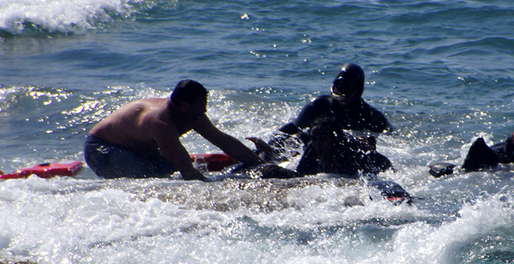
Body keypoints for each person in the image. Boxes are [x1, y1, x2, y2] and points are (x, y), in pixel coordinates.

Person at [84, 80, 267, 181]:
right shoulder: (161, 124)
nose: (205, 110)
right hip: (101, 149)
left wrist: (258, 163)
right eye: (202, 105)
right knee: (150, 177)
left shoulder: (191, 114)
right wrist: (216, 188)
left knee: (169, 171)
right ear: (185, 106)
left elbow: (222, 140)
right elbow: (188, 172)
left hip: (139, 150)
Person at [279, 63, 392, 138]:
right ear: (333, 86)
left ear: (359, 90)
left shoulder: (371, 116)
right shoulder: (318, 106)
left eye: (349, 87)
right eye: (340, 86)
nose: (343, 92)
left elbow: (392, 140)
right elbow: (294, 128)